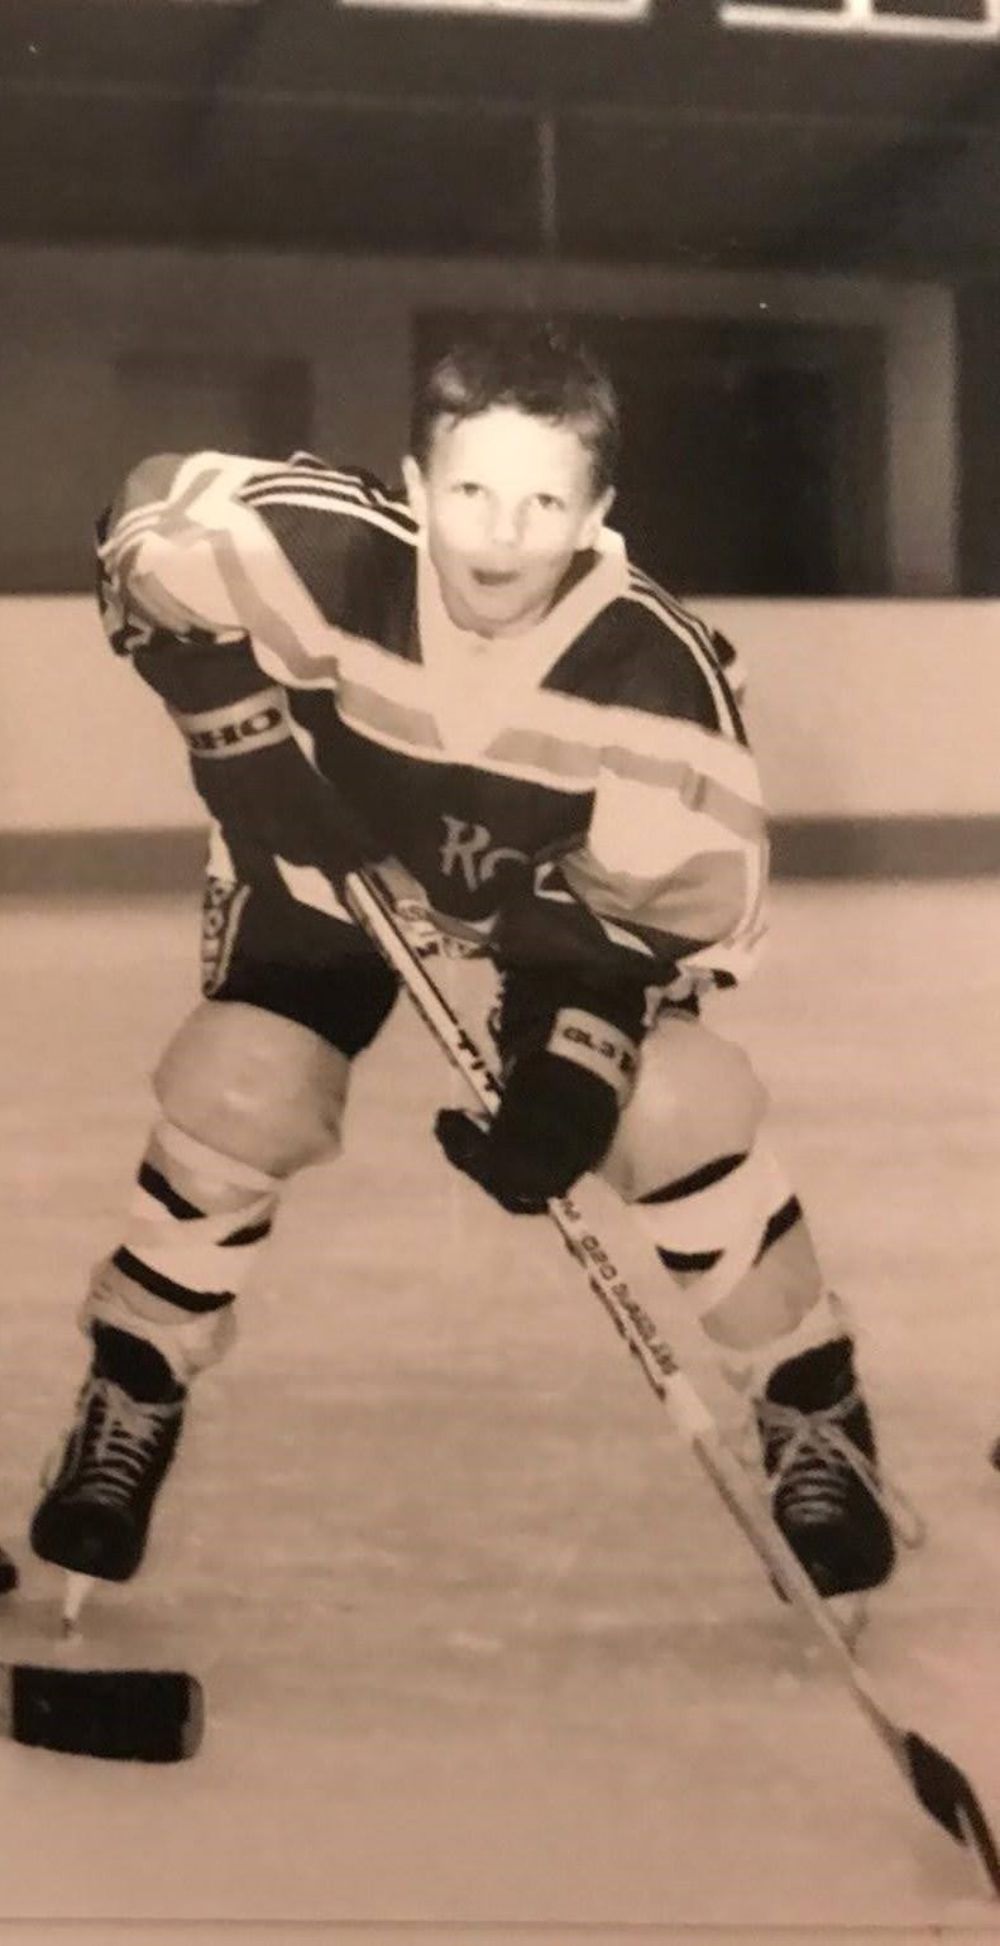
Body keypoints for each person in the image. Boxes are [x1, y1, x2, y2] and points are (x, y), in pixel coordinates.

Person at [31, 316, 899, 1604]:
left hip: (542, 910)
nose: (503, 533)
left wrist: (574, 1068)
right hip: (321, 868)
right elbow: (144, 523)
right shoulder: (322, 548)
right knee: (240, 1086)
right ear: (418, 482)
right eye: (474, 491)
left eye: (545, 500)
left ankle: (813, 1406)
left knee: (676, 1106)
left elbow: (657, 916)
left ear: (599, 509)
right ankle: (135, 1380)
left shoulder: (656, 675)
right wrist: (230, 724)